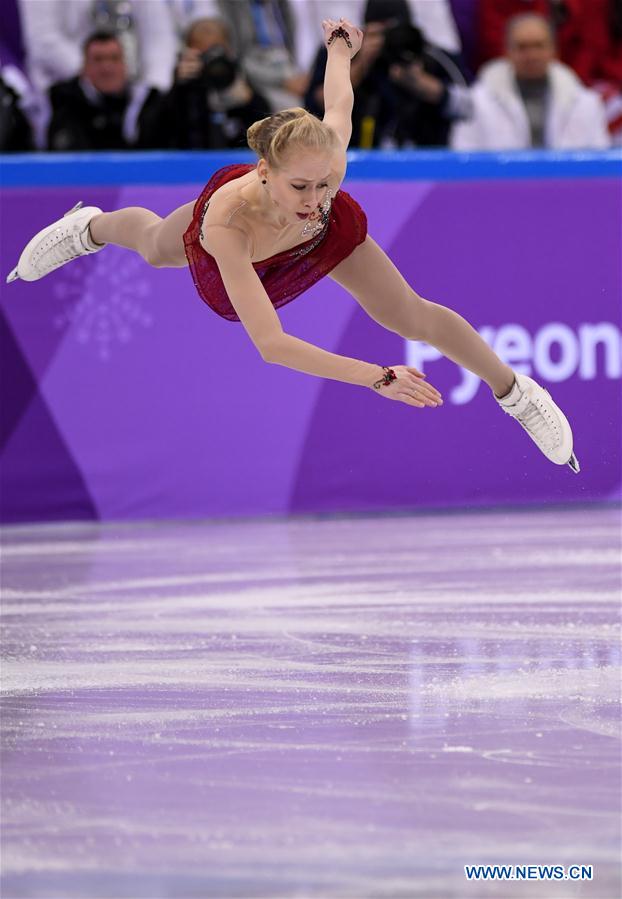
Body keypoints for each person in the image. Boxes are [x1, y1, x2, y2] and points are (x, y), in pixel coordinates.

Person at [6, 17, 580, 475]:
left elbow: (338, 104)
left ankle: (516, 393)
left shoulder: (326, 171)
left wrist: (338, 48)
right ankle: (88, 227)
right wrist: (376, 377)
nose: (314, 197)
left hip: (324, 241)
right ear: (264, 171)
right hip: (243, 249)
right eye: (300, 186)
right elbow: (272, 344)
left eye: (326, 182)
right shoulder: (225, 223)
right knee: (156, 245)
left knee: (410, 315)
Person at [451, 13, 610, 150]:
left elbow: (600, 164)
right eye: (522, 47)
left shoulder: (586, 103)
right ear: (507, 51)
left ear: (553, 50)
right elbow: (463, 157)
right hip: (499, 184)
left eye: (538, 46)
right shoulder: (477, 103)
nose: (532, 55)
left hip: (567, 185)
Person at [163, 17, 270, 150]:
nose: (210, 63)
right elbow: (157, 136)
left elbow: (267, 135)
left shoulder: (239, 79)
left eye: (215, 52)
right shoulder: (184, 89)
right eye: (203, 55)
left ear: (228, 51)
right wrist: (178, 88)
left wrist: (249, 100)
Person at [47, 31, 164, 151]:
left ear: (125, 65)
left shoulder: (146, 102)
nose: (107, 68)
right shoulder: (65, 102)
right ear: (84, 67)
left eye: (114, 59)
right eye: (98, 60)